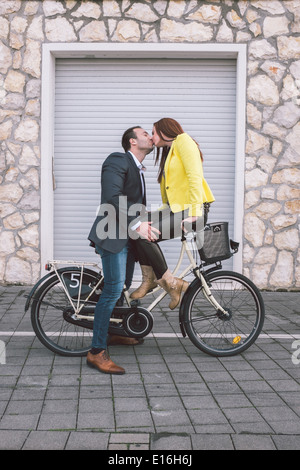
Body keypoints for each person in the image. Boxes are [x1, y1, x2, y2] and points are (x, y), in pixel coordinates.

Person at [87, 126, 159, 375]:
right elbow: (112, 196)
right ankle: (96, 352)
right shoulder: (118, 159)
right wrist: (138, 223)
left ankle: (114, 333)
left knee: (123, 286)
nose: (150, 137)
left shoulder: (138, 169)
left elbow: (134, 205)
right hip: (112, 235)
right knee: (114, 288)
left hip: (127, 235)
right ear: (132, 141)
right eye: (145, 134)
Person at [131, 118, 215, 309]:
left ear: (163, 130)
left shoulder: (184, 141)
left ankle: (171, 284)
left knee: (145, 234)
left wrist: (195, 212)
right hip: (178, 209)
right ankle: (149, 280)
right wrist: (154, 212)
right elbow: (174, 198)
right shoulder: (172, 150)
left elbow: (195, 176)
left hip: (194, 211)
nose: (152, 138)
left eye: (153, 133)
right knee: (137, 225)